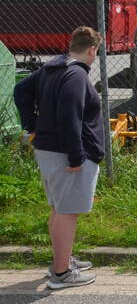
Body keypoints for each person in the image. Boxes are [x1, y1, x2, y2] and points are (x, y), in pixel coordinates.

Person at [13, 26, 104, 289]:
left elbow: (21, 91)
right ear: (91, 50)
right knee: (68, 212)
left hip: (49, 149)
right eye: (96, 52)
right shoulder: (76, 75)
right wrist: (76, 156)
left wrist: (32, 125)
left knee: (59, 208)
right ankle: (62, 274)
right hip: (66, 154)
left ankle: (60, 261)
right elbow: (70, 116)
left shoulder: (52, 68)